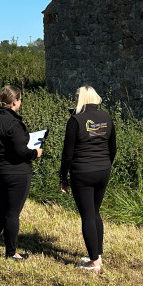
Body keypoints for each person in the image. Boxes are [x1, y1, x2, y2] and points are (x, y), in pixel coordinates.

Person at [59, 86, 117, 272]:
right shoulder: (106, 118)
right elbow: (113, 147)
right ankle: (97, 254)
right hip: (103, 170)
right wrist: (106, 164)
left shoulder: (75, 120)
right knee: (95, 212)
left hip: (82, 172)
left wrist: (63, 177)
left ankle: (94, 262)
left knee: (87, 215)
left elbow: (67, 154)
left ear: (80, 99)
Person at [0, 84, 42, 260]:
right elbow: (21, 152)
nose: (20, 102)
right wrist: (35, 153)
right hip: (17, 173)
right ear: (15, 102)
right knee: (12, 213)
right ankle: (11, 253)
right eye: (20, 99)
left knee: (2, 209)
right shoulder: (14, 123)